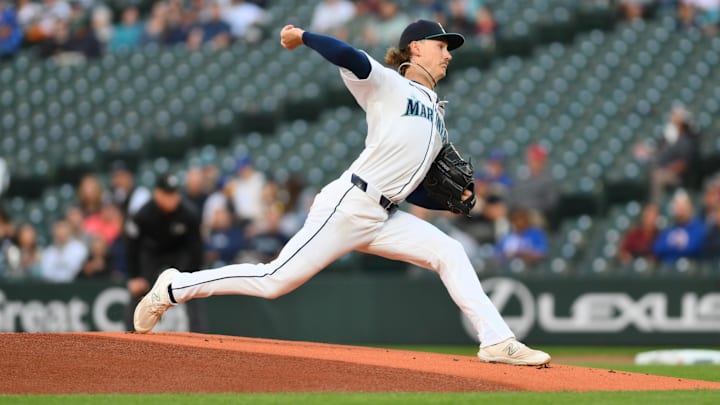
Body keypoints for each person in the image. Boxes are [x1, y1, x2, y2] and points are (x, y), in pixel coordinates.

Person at [133, 19, 551, 366]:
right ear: (416, 49)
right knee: (274, 280)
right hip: (349, 205)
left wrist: (446, 201)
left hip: (386, 214)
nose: (448, 54)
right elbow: (349, 56)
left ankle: (496, 340)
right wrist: (304, 36)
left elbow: (415, 185)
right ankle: (174, 287)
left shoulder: (438, 116)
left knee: (450, 253)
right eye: (442, 45)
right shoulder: (388, 84)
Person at [123, 174, 206, 332]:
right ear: (157, 194)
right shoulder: (143, 214)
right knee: (139, 288)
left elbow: (196, 249)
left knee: (193, 288)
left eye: (174, 194)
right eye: (167, 194)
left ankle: (200, 336)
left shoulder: (189, 213)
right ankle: (131, 333)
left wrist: (193, 274)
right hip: (153, 254)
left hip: (179, 253)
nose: (172, 198)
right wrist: (134, 276)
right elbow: (131, 245)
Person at [652, 190, 705, 264]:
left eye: (682, 205)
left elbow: (693, 248)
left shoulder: (698, 227)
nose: (679, 209)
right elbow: (658, 248)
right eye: (676, 205)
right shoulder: (669, 228)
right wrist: (679, 247)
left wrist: (671, 247)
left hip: (691, 272)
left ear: (690, 207)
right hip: (668, 271)